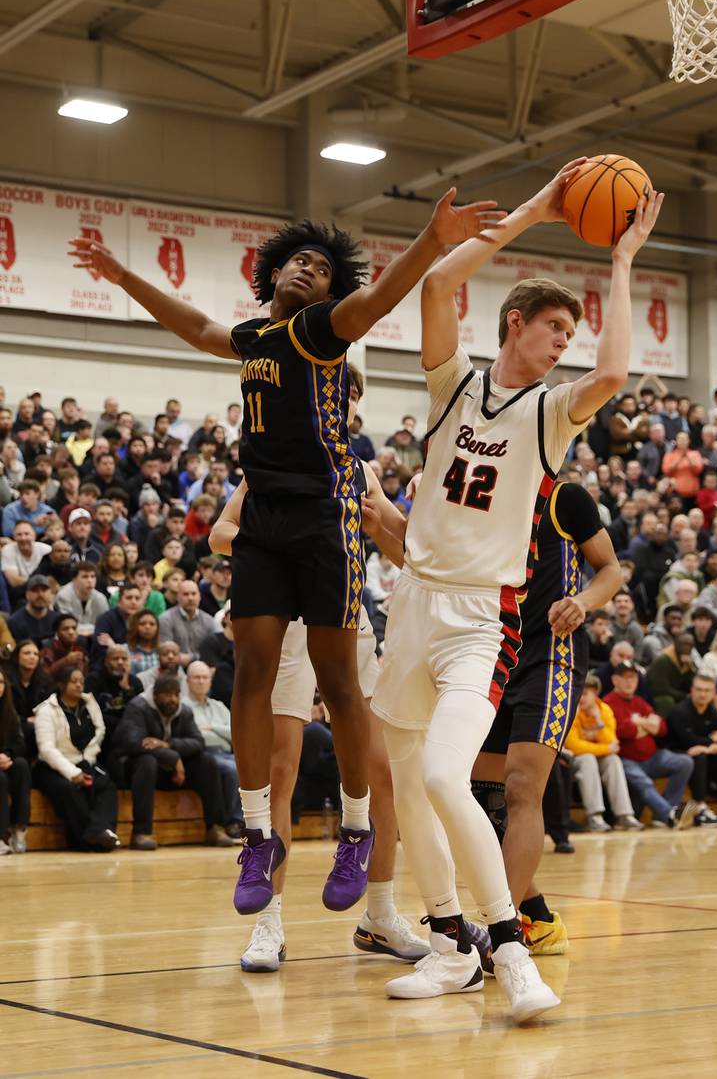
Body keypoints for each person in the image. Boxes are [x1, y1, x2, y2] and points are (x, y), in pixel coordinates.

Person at [72, 182, 505, 914]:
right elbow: (198, 327)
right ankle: (254, 837)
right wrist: (121, 276)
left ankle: (358, 829)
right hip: (265, 522)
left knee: (339, 684)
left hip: (325, 519)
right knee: (253, 673)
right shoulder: (256, 338)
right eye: (296, 261)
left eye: (321, 267)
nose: (307, 269)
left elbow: (378, 301)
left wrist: (433, 241)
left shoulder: (322, 330)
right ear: (271, 271)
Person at [372, 169, 663, 1020]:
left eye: (569, 331)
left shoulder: (551, 413)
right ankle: (448, 942)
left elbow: (613, 370)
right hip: (412, 604)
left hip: (480, 620)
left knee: (442, 771)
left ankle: (510, 950)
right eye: (554, 328)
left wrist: (622, 259)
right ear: (516, 324)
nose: (565, 343)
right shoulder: (452, 384)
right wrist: (538, 208)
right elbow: (436, 282)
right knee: (406, 776)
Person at [209, 379, 429, 972]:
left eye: (349, 399)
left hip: (347, 617)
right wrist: (282, 546)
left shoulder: (361, 472)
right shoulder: (269, 470)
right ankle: (268, 925)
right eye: (333, 396)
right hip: (288, 623)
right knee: (281, 767)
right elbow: (220, 534)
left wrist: (391, 519)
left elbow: (407, 555)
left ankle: (380, 913)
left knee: (379, 771)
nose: (341, 406)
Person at [471, 479, 623, 959]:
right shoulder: (482, 491)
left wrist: (583, 602)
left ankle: (502, 933)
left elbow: (611, 570)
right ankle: (536, 915)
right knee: (476, 801)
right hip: (489, 650)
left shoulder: (565, 497)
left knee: (519, 788)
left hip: (551, 654)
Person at [110, 673, 235, 850]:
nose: (173, 699)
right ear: (155, 695)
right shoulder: (138, 707)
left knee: (206, 762)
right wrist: (173, 757)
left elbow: (198, 742)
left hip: (173, 773)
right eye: (168, 695)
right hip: (134, 771)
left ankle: (215, 827)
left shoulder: (184, 711)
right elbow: (133, 742)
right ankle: (141, 832)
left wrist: (168, 745)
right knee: (147, 761)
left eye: (176, 694)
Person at [33, 665, 119, 851]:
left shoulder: (89, 703)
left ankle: (101, 832)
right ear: (61, 684)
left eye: (82, 681)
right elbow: (47, 749)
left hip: (83, 762)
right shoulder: (47, 710)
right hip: (51, 767)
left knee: (106, 785)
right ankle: (91, 837)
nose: (79, 685)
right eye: (74, 681)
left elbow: (100, 731)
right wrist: (73, 773)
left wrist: (86, 761)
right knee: (69, 789)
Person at [605, 661, 695, 828]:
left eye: (633, 677)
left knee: (685, 762)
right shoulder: (608, 703)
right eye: (625, 677)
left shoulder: (640, 701)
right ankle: (670, 814)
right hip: (626, 759)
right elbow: (620, 731)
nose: (629, 682)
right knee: (644, 781)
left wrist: (638, 723)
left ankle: (662, 818)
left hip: (653, 758)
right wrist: (647, 725)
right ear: (614, 680)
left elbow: (661, 727)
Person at [563, 675, 642, 832]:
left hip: (596, 757)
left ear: (595, 694)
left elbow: (612, 742)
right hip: (572, 759)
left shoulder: (604, 710)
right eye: (578, 692)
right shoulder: (569, 709)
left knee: (613, 760)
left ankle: (624, 815)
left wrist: (598, 722)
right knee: (588, 759)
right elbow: (574, 746)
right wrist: (604, 749)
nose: (581, 697)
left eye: (585, 693)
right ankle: (595, 817)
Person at [666, 674, 717, 825]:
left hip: (703, 753)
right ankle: (700, 807)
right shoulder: (679, 712)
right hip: (678, 753)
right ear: (692, 691)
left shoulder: (713, 713)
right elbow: (688, 742)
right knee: (698, 757)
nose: (703, 694)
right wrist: (712, 740)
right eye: (699, 690)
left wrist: (714, 747)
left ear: (713, 693)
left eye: (707, 690)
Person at [184, 661, 243, 837]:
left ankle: (249, 821)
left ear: (210, 682)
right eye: (196, 678)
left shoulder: (218, 706)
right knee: (233, 770)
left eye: (204, 678)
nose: (201, 681)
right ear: (188, 681)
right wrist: (219, 730)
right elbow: (196, 736)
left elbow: (237, 733)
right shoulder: (183, 706)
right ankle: (234, 821)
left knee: (252, 768)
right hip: (202, 755)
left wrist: (212, 727)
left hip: (225, 752)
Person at [0, 667, 31, 854]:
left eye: (2, 682)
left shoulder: (10, 713)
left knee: (21, 765)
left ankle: (19, 828)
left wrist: (6, 755)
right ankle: (1, 835)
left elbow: (20, 745)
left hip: (5, 760)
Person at [158, 581, 215, 666]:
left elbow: (212, 652)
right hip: (174, 668)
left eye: (193, 594)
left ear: (200, 596)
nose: (190, 598)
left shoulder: (209, 620)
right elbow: (165, 651)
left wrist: (191, 658)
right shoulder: (166, 619)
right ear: (177, 597)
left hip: (202, 668)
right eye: (185, 594)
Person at [54, 561, 109, 637]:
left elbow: (105, 625)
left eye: (92, 576)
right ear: (74, 579)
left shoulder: (100, 598)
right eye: (85, 577)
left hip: (95, 636)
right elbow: (67, 625)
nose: (90, 581)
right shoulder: (63, 595)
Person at [7, 576, 58, 647]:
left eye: (44, 590)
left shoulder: (58, 620)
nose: (40, 594)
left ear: (50, 593)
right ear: (27, 594)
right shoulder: (14, 622)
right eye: (35, 590)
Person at [40, 613, 88, 679]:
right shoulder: (49, 649)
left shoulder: (80, 648)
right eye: (65, 629)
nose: (71, 632)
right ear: (57, 633)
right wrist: (66, 661)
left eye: (74, 628)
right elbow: (44, 675)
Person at [127, 610, 160, 677]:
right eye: (142, 624)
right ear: (134, 626)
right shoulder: (125, 650)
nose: (147, 627)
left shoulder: (163, 651)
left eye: (152, 624)